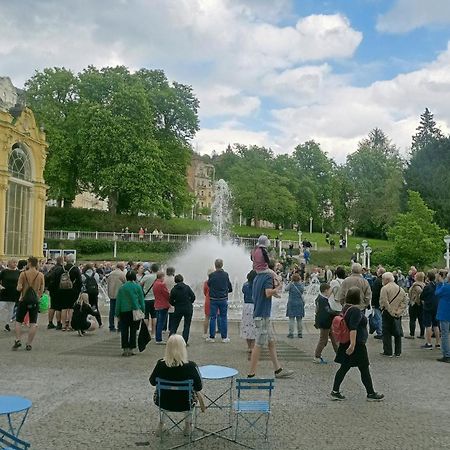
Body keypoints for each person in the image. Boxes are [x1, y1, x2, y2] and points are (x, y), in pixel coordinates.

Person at [330, 286, 384, 401]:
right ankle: (371, 393)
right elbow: (353, 328)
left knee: (344, 367)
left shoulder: (346, 307)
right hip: (356, 344)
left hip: (348, 343)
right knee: (364, 368)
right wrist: (353, 345)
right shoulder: (354, 310)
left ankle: (335, 390)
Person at [149, 334, 203, 436]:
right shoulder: (191, 366)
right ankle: (188, 426)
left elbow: (152, 381)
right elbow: (199, 387)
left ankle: (161, 424)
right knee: (189, 395)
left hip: (163, 401)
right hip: (185, 403)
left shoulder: (160, 364)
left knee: (164, 395)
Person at [247, 268, 293, 379]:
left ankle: (278, 369)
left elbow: (263, 293)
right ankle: (251, 374)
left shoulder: (257, 278)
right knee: (259, 344)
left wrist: (274, 292)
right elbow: (267, 292)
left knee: (271, 341)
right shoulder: (267, 277)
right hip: (263, 316)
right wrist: (278, 287)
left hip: (261, 315)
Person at [12, 257, 45, 351]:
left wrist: (21, 287)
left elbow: (18, 288)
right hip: (34, 301)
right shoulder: (40, 275)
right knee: (33, 322)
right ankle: (29, 343)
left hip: (23, 300)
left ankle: (18, 339)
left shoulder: (23, 274)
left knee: (18, 320)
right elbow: (42, 290)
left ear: (29, 263)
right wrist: (37, 297)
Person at [115, 271, 145, 356]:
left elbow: (119, 301)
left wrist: (117, 313)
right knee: (133, 330)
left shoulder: (122, 288)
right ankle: (132, 348)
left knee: (124, 330)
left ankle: (125, 349)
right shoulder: (137, 287)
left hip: (123, 311)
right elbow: (141, 300)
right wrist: (143, 310)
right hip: (135, 311)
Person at [379, 272, 407, 357]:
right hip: (397, 314)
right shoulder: (400, 289)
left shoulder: (384, 288)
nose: (382, 281)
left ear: (386, 279)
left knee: (386, 331)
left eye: (383, 279)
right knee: (397, 332)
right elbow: (404, 302)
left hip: (387, 313)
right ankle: (398, 351)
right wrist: (398, 311)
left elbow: (384, 301)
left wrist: (390, 311)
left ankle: (388, 351)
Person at [206, 259, 232, 343]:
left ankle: (212, 337)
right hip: (223, 298)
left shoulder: (212, 275)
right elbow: (229, 286)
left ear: (215, 265)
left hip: (213, 299)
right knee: (223, 317)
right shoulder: (225, 274)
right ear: (222, 265)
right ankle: (224, 337)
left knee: (212, 317)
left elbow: (209, 284)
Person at [314, 283, 338, 363]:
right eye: (329, 290)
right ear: (326, 290)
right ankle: (317, 356)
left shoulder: (319, 298)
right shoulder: (323, 300)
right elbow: (327, 311)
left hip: (326, 322)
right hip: (325, 323)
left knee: (334, 338)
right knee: (323, 340)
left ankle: (339, 354)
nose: (330, 291)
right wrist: (337, 313)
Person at [169, 275, 195, 344]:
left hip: (178, 308)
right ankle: (184, 341)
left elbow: (171, 300)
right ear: (182, 279)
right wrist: (190, 302)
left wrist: (175, 304)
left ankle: (171, 340)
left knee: (175, 324)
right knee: (187, 325)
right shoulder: (187, 288)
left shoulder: (174, 289)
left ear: (175, 281)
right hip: (188, 308)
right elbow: (193, 297)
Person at [60, 254, 82, 331]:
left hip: (63, 289)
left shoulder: (62, 268)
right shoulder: (75, 269)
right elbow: (79, 281)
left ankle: (63, 325)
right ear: (73, 260)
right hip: (73, 290)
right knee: (71, 308)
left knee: (64, 307)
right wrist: (79, 290)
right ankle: (70, 325)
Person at [420, 271, 440, 349]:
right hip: (436, 307)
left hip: (428, 307)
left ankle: (428, 343)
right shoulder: (438, 285)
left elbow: (422, 296)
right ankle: (438, 343)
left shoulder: (427, 287)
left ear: (428, 277)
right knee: (436, 325)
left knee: (428, 325)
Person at [0, 258, 20, 331]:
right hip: (4, 293)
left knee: (11, 310)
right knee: (1, 307)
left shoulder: (18, 272)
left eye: (16, 262)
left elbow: (20, 282)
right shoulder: (4, 271)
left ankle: (7, 324)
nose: (15, 264)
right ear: (9, 263)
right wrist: (1, 286)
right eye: (14, 262)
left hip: (14, 293)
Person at [44, 256, 64, 329]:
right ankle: (59, 323)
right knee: (58, 307)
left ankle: (50, 323)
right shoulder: (61, 269)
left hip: (52, 289)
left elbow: (46, 277)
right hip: (59, 289)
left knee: (52, 306)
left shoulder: (53, 268)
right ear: (62, 261)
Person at [240, 270, 257, 356]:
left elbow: (243, 291)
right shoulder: (257, 285)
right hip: (254, 306)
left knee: (246, 326)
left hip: (246, 306)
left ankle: (248, 346)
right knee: (253, 326)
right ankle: (253, 346)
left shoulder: (245, 285)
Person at [435, 270, 450, 363]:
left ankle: (446, 354)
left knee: (445, 334)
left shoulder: (446, 287)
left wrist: (440, 283)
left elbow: (437, 293)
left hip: (445, 312)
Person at [106, 262, 126, 332]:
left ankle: (111, 326)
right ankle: (119, 326)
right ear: (121, 267)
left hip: (111, 294)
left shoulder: (111, 274)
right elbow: (125, 283)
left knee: (111, 311)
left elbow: (107, 284)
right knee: (120, 311)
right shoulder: (122, 274)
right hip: (120, 295)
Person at [406, 272, 425, 339]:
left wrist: (415, 299)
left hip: (415, 304)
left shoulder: (416, 285)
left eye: (415, 276)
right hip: (421, 305)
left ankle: (412, 334)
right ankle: (422, 334)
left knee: (412, 319)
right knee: (421, 319)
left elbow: (420, 293)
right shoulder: (424, 284)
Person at [141, 263, 159, 337]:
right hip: (155, 299)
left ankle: (146, 332)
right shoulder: (158, 277)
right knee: (154, 316)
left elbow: (140, 284)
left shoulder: (146, 277)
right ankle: (153, 333)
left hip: (146, 299)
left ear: (150, 269)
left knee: (145, 316)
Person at [285, 273, 305, 338]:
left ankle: (291, 333)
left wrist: (291, 282)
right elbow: (303, 291)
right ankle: (300, 333)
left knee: (291, 319)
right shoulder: (301, 285)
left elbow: (285, 289)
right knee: (299, 319)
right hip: (299, 303)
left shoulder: (291, 285)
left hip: (291, 303)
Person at [81, 263, 101, 329]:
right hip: (94, 293)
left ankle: (85, 321)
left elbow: (82, 284)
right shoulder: (96, 274)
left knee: (85, 307)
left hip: (86, 293)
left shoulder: (83, 276)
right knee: (95, 307)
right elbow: (98, 282)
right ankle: (100, 323)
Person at [153, 272, 170, 344]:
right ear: (162, 277)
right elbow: (167, 294)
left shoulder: (155, 283)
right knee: (161, 322)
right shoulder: (162, 284)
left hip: (157, 304)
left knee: (158, 322)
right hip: (163, 305)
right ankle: (159, 339)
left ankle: (157, 337)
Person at [370, 267, 385, 340]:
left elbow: (375, 293)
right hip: (385, 302)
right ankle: (383, 331)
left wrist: (373, 303)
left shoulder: (377, 281)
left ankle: (380, 332)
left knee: (378, 317)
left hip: (377, 302)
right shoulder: (385, 280)